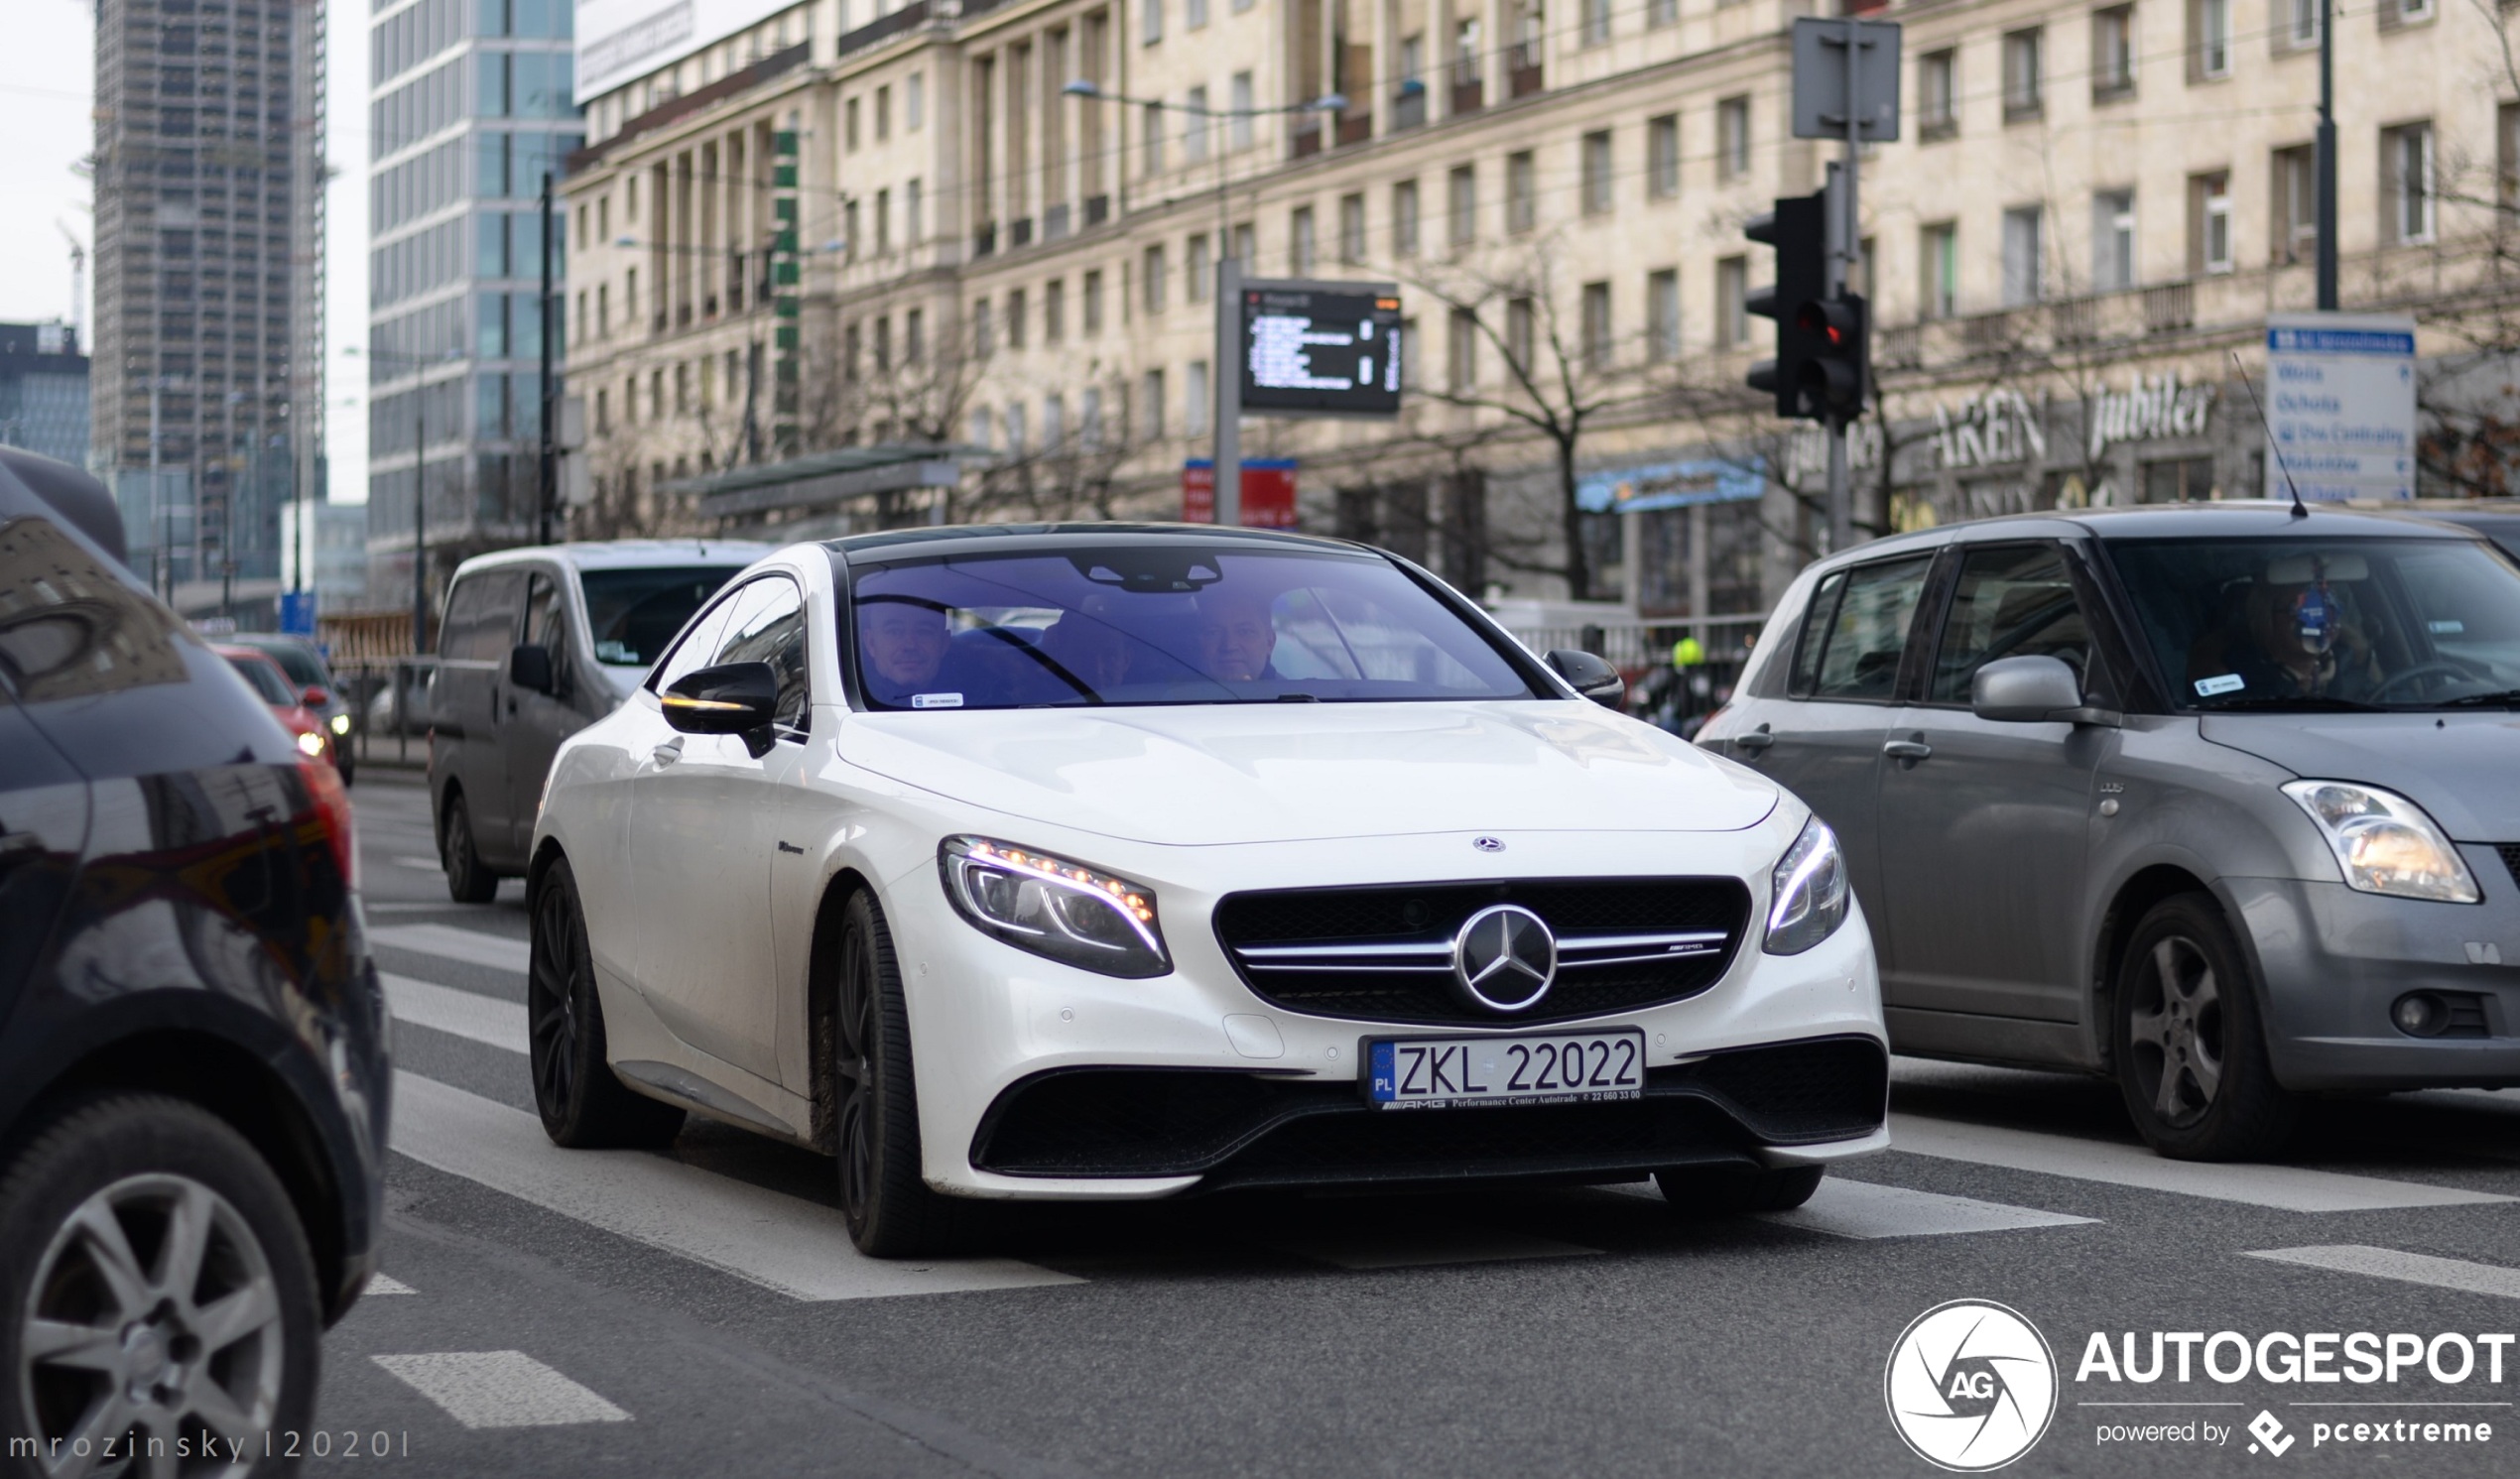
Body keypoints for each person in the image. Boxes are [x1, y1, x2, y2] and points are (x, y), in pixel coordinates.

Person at [859, 597, 951, 700]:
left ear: (944, 643)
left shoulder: (971, 701)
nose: (910, 645)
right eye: (894, 632)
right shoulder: (847, 699)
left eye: (923, 631)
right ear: (871, 643)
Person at [1194, 585, 1281, 682]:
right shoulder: (1177, 694)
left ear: (1270, 642)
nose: (1229, 646)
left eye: (1245, 631)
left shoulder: (1290, 694)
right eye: (1213, 633)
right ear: (1199, 643)